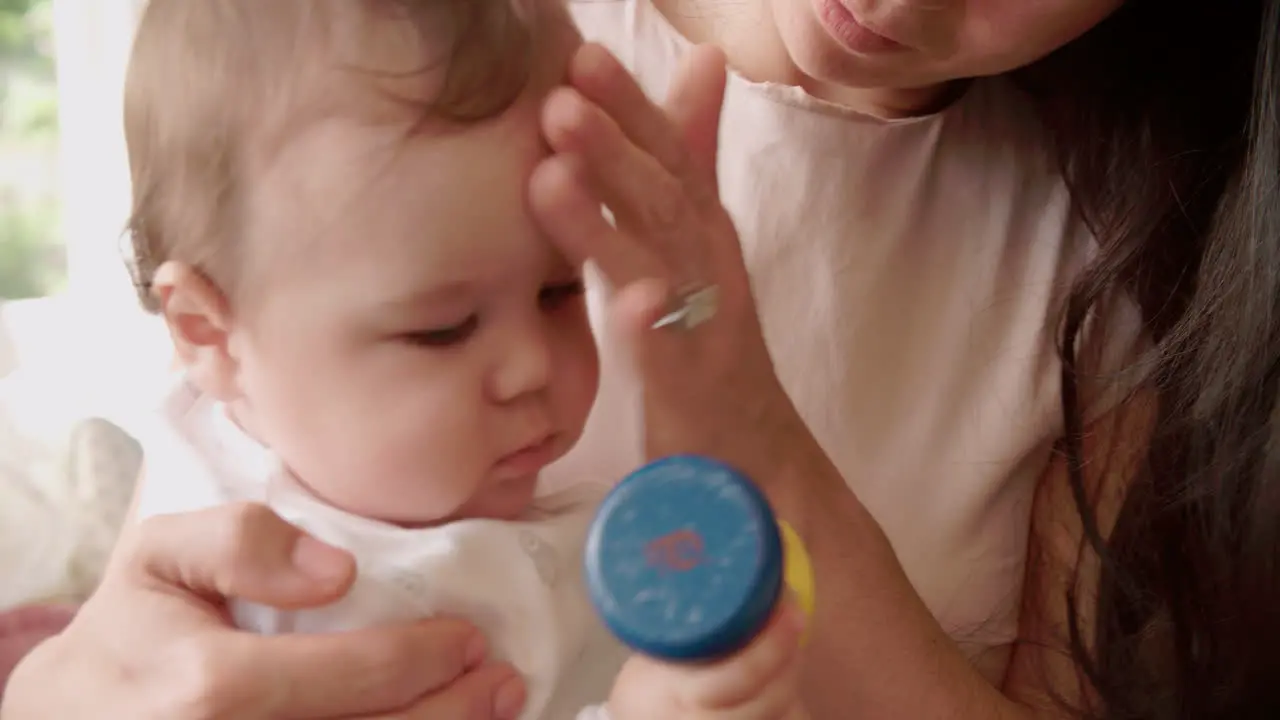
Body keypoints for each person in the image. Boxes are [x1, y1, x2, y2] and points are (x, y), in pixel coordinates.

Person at [4, 0, 1277, 718]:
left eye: (561, 293)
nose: (887, 0)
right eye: (443, 327)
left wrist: (748, 437)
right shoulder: (355, 58)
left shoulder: (1140, 273)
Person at [3, 1, 808, 719]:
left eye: (560, 292)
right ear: (209, 336)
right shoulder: (295, 591)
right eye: (443, 329)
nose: (532, 365)